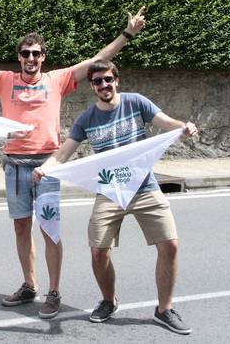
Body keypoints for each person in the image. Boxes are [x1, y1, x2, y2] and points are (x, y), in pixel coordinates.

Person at [0, 9, 146, 319]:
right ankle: (29, 284)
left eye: (36, 53)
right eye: (25, 53)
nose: (31, 58)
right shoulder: (4, 80)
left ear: (43, 57)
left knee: (50, 230)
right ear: (19, 57)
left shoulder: (57, 79)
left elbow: (97, 60)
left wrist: (128, 34)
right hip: (14, 166)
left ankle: (54, 292)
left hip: (47, 166)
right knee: (21, 227)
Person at [33, 59, 197, 335]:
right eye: (97, 81)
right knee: (98, 252)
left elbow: (167, 123)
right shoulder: (86, 119)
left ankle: (164, 309)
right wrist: (45, 168)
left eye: (108, 79)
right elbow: (63, 154)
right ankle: (109, 301)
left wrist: (184, 128)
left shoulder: (136, 102)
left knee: (170, 245)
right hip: (109, 191)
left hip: (145, 188)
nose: (104, 85)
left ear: (116, 80)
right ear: (92, 86)